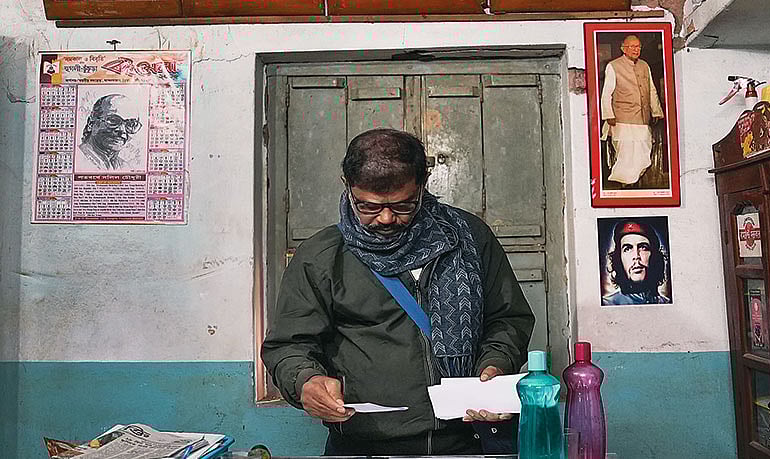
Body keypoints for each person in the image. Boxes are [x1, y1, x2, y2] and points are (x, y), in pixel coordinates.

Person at [261, 128, 533, 456]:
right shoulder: (322, 256)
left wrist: (496, 364)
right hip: (363, 446)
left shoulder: (469, 239)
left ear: (423, 185)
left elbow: (507, 318)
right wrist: (306, 380)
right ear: (347, 186)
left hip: (468, 441)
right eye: (369, 207)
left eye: (403, 205)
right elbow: (288, 346)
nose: (387, 218)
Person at [599, 35, 664, 185]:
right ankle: (623, 184)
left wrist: (656, 111)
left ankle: (633, 183)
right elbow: (606, 93)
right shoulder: (613, 66)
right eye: (632, 47)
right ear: (624, 49)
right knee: (626, 155)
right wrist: (609, 115)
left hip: (642, 118)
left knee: (644, 151)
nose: (636, 50)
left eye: (638, 47)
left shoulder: (644, 65)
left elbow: (651, 90)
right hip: (622, 119)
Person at [602, 220, 669, 305]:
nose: (636, 256)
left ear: (655, 257)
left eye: (643, 248)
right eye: (627, 249)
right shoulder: (607, 304)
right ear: (619, 259)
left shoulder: (665, 303)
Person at [78, 94, 142, 170]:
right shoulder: (79, 157)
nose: (122, 130)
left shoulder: (125, 167)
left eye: (130, 124)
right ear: (91, 123)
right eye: (113, 120)